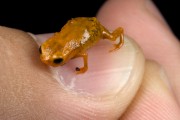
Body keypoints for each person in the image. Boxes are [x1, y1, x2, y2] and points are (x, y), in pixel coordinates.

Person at [0, 0, 180, 119]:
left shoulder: (78, 51)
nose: (44, 59)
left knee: (110, 36)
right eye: (42, 50)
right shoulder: (58, 44)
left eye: (56, 61)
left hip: (93, 29)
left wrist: (85, 69)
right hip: (78, 25)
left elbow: (85, 55)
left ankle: (119, 38)